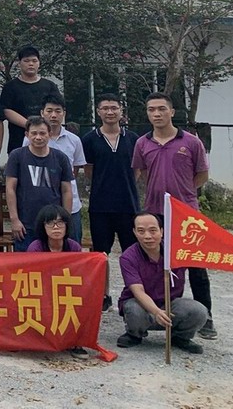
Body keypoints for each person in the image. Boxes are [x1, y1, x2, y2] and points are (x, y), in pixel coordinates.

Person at [132, 92, 215, 340]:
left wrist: (183, 192)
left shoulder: (191, 142)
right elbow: (142, 173)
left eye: (161, 109)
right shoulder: (142, 143)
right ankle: (155, 312)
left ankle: (207, 317)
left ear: (172, 112)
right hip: (155, 213)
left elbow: (202, 175)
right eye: (151, 110)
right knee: (159, 264)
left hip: (186, 215)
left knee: (196, 266)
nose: (156, 114)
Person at [117, 212, 207, 354]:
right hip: (142, 305)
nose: (147, 236)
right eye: (141, 231)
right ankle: (134, 334)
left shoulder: (177, 250)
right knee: (134, 310)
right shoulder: (128, 257)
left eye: (153, 230)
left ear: (162, 231)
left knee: (199, 311)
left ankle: (180, 337)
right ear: (134, 232)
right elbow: (138, 291)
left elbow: (202, 257)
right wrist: (156, 311)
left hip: (170, 303)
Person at [82, 93, 140, 311]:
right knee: (101, 254)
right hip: (100, 206)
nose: (110, 112)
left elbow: (137, 170)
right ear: (98, 112)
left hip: (128, 205)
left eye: (114, 108)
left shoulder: (133, 138)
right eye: (105, 108)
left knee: (132, 253)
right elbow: (89, 170)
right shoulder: (89, 139)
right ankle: (103, 294)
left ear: (121, 111)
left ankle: (132, 293)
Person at [25, 93, 86, 246]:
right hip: (40, 206)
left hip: (70, 205)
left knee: (70, 248)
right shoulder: (29, 139)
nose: (53, 115)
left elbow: (75, 170)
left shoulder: (74, 140)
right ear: (42, 113)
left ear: (64, 113)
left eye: (58, 111)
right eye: (49, 111)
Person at [5, 116, 72, 252]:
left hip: (53, 223)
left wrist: (66, 221)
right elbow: (10, 189)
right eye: (34, 133)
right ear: (27, 135)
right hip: (25, 223)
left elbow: (66, 191)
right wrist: (14, 219)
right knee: (25, 262)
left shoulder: (60, 158)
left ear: (49, 134)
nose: (38, 137)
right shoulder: (17, 156)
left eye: (42, 133)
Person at [1, 45, 61, 155]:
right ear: (19, 64)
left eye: (34, 61)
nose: (31, 64)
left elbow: (57, 108)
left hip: (47, 141)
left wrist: (41, 127)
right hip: (18, 141)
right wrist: (30, 125)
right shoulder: (10, 87)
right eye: (26, 61)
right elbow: (6, 111)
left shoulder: (50, 86)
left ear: (39, 63)